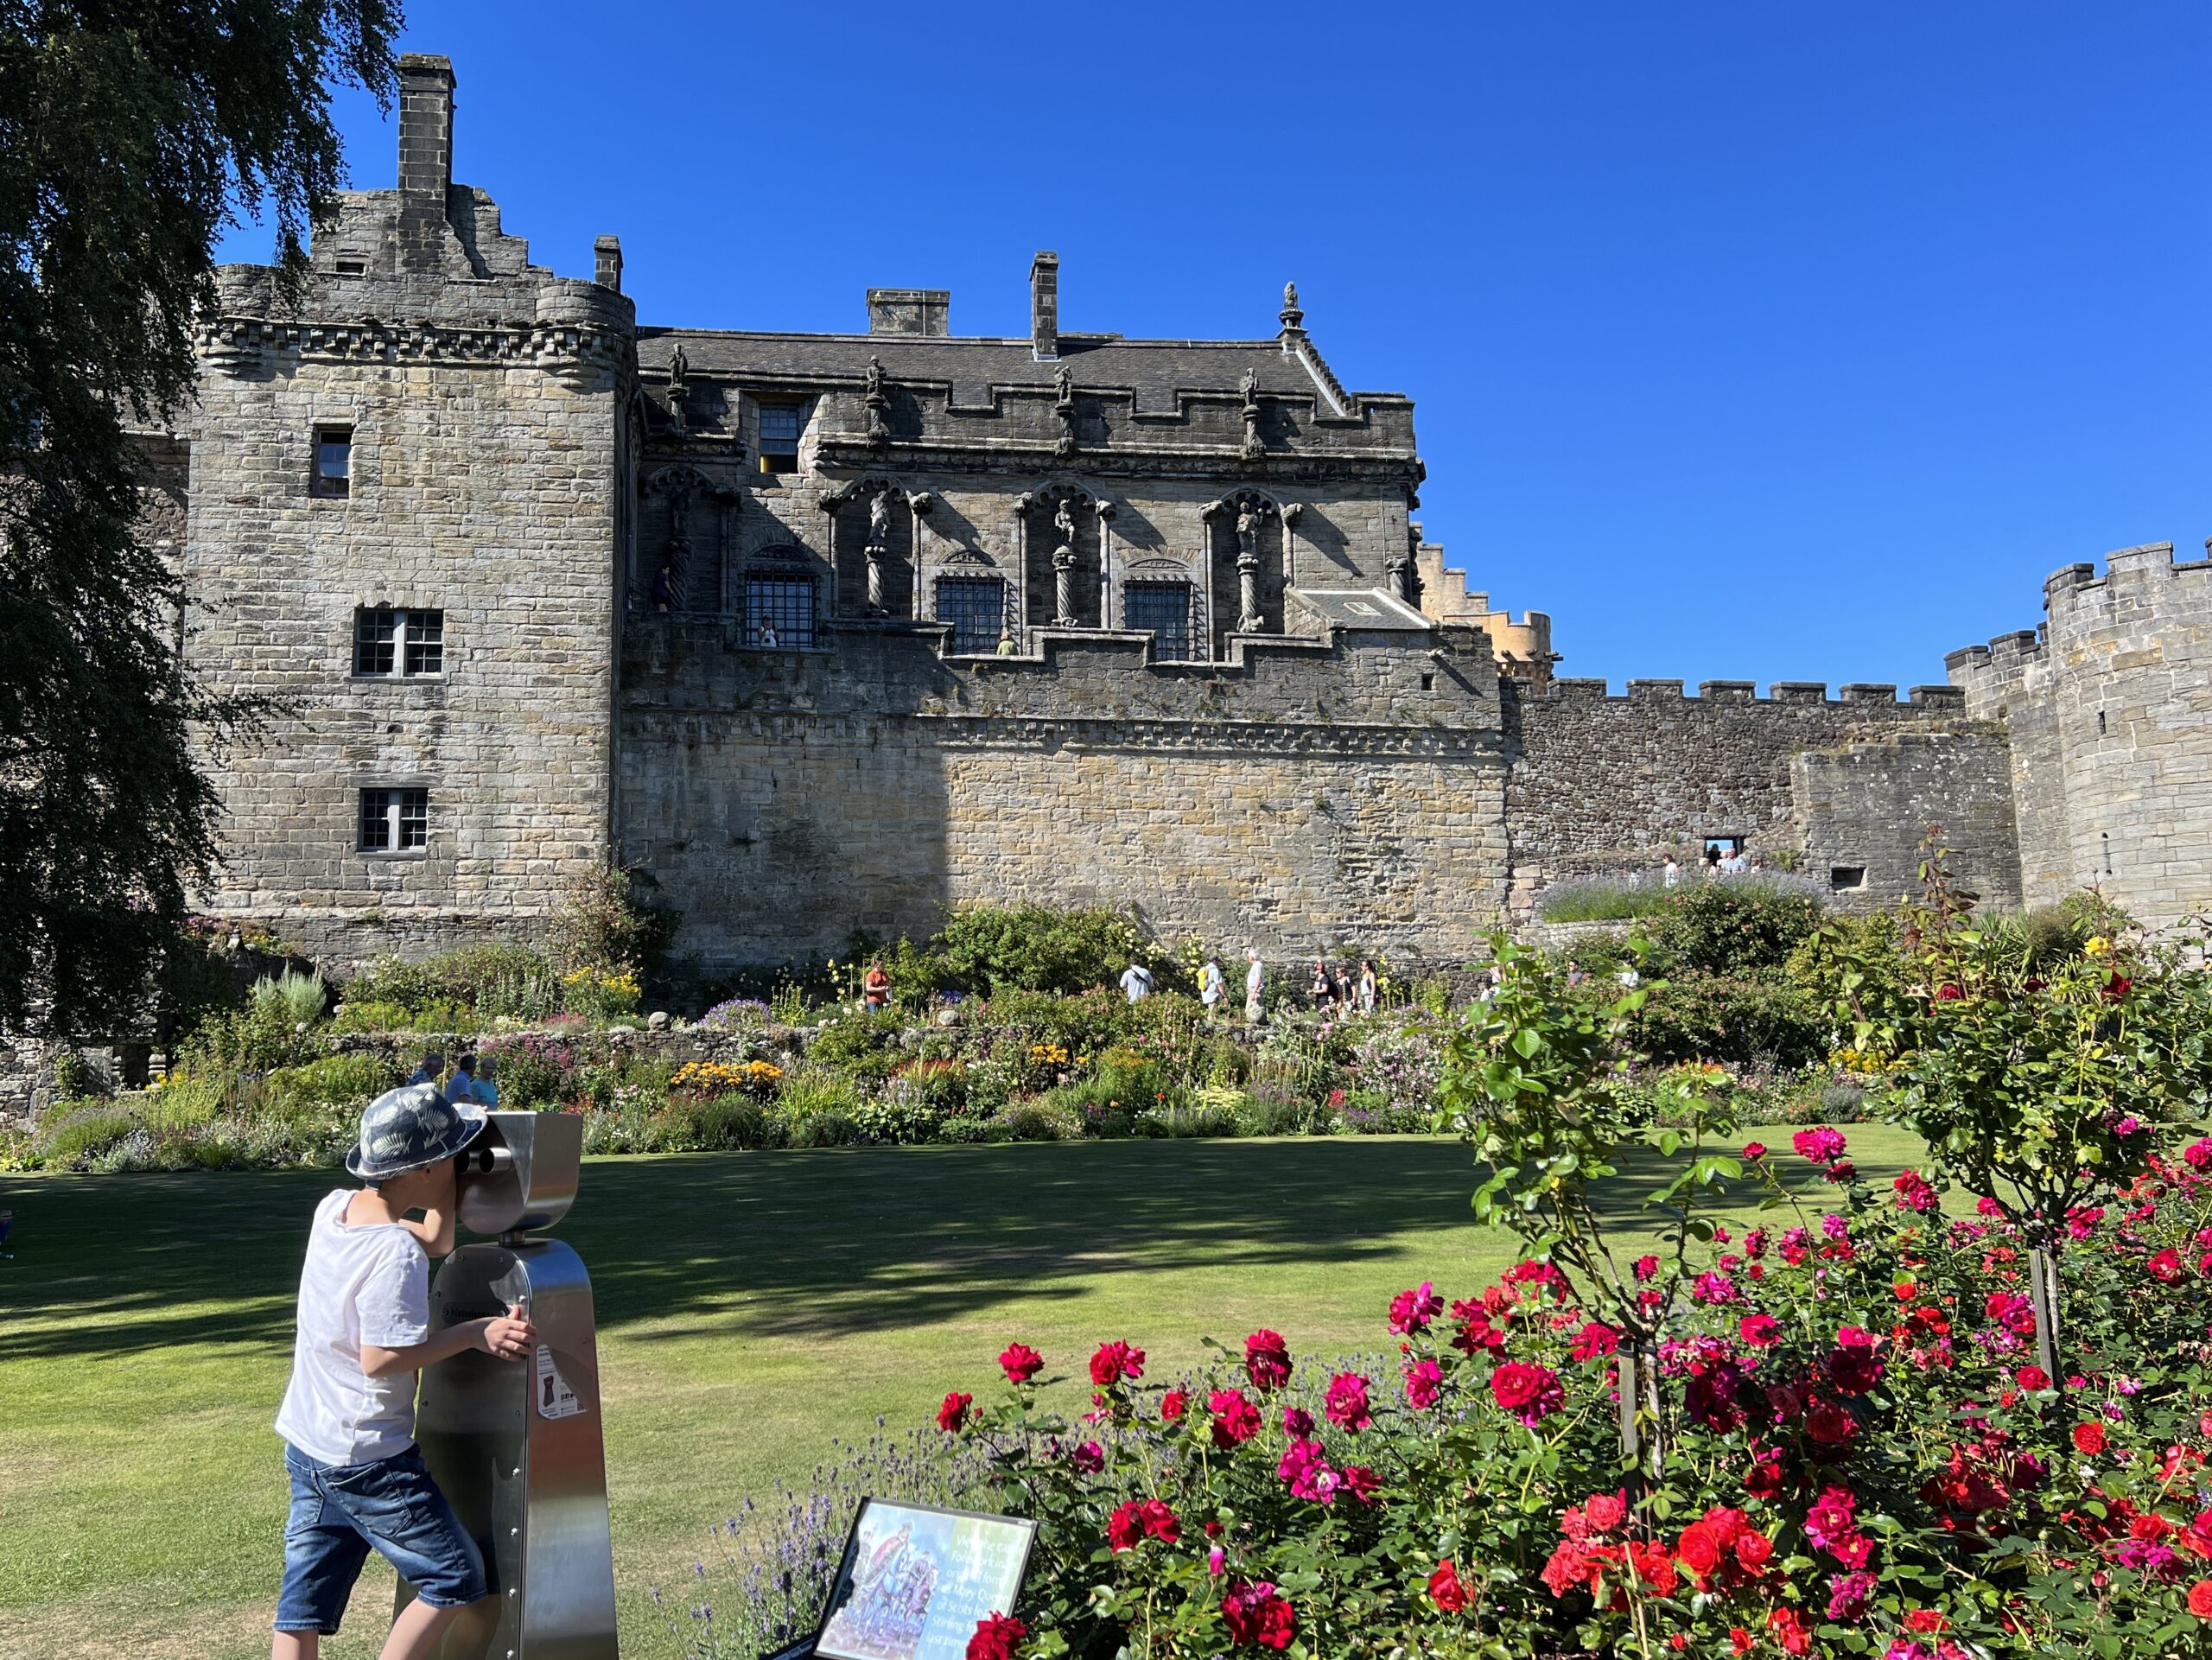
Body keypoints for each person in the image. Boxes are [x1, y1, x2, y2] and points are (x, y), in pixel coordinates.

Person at [270, 1084, 537, 1660]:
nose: (459, 1164)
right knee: (453, 1579)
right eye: (451, 1156)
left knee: (302, 1607)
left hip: (311, 1443)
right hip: (371, 1457)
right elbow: (381, 1357)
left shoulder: (334, 1207)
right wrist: (475, 1331)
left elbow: (438, 1238)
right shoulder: (394, 1253)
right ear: (421, 1170)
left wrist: (449, 1180)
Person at [1197, 956, 1225, 1020]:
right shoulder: (1215, 970)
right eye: (1218, 961)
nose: (1219, 963)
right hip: (1213, 995)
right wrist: (1225, 996)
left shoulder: (1205, 968)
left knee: (1211, 1011)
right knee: (1213, 1014)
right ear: (1215, 961)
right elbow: (1219, 985)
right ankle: (1212, 1027)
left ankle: (1212, 1026)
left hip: (1206, 993)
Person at [1244, 950, 1265, 1027]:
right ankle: (1252, 1024)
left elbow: (1258, 979)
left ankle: (1255, 1025)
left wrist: (1254, 992)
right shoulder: (1256, 965)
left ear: (1252, 957)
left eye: (1248, 956)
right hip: (1252, 990)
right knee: (1249, 1009)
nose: (1248, 958)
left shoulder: (1257, 965)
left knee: (1255, 1010)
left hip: (1255, 990)